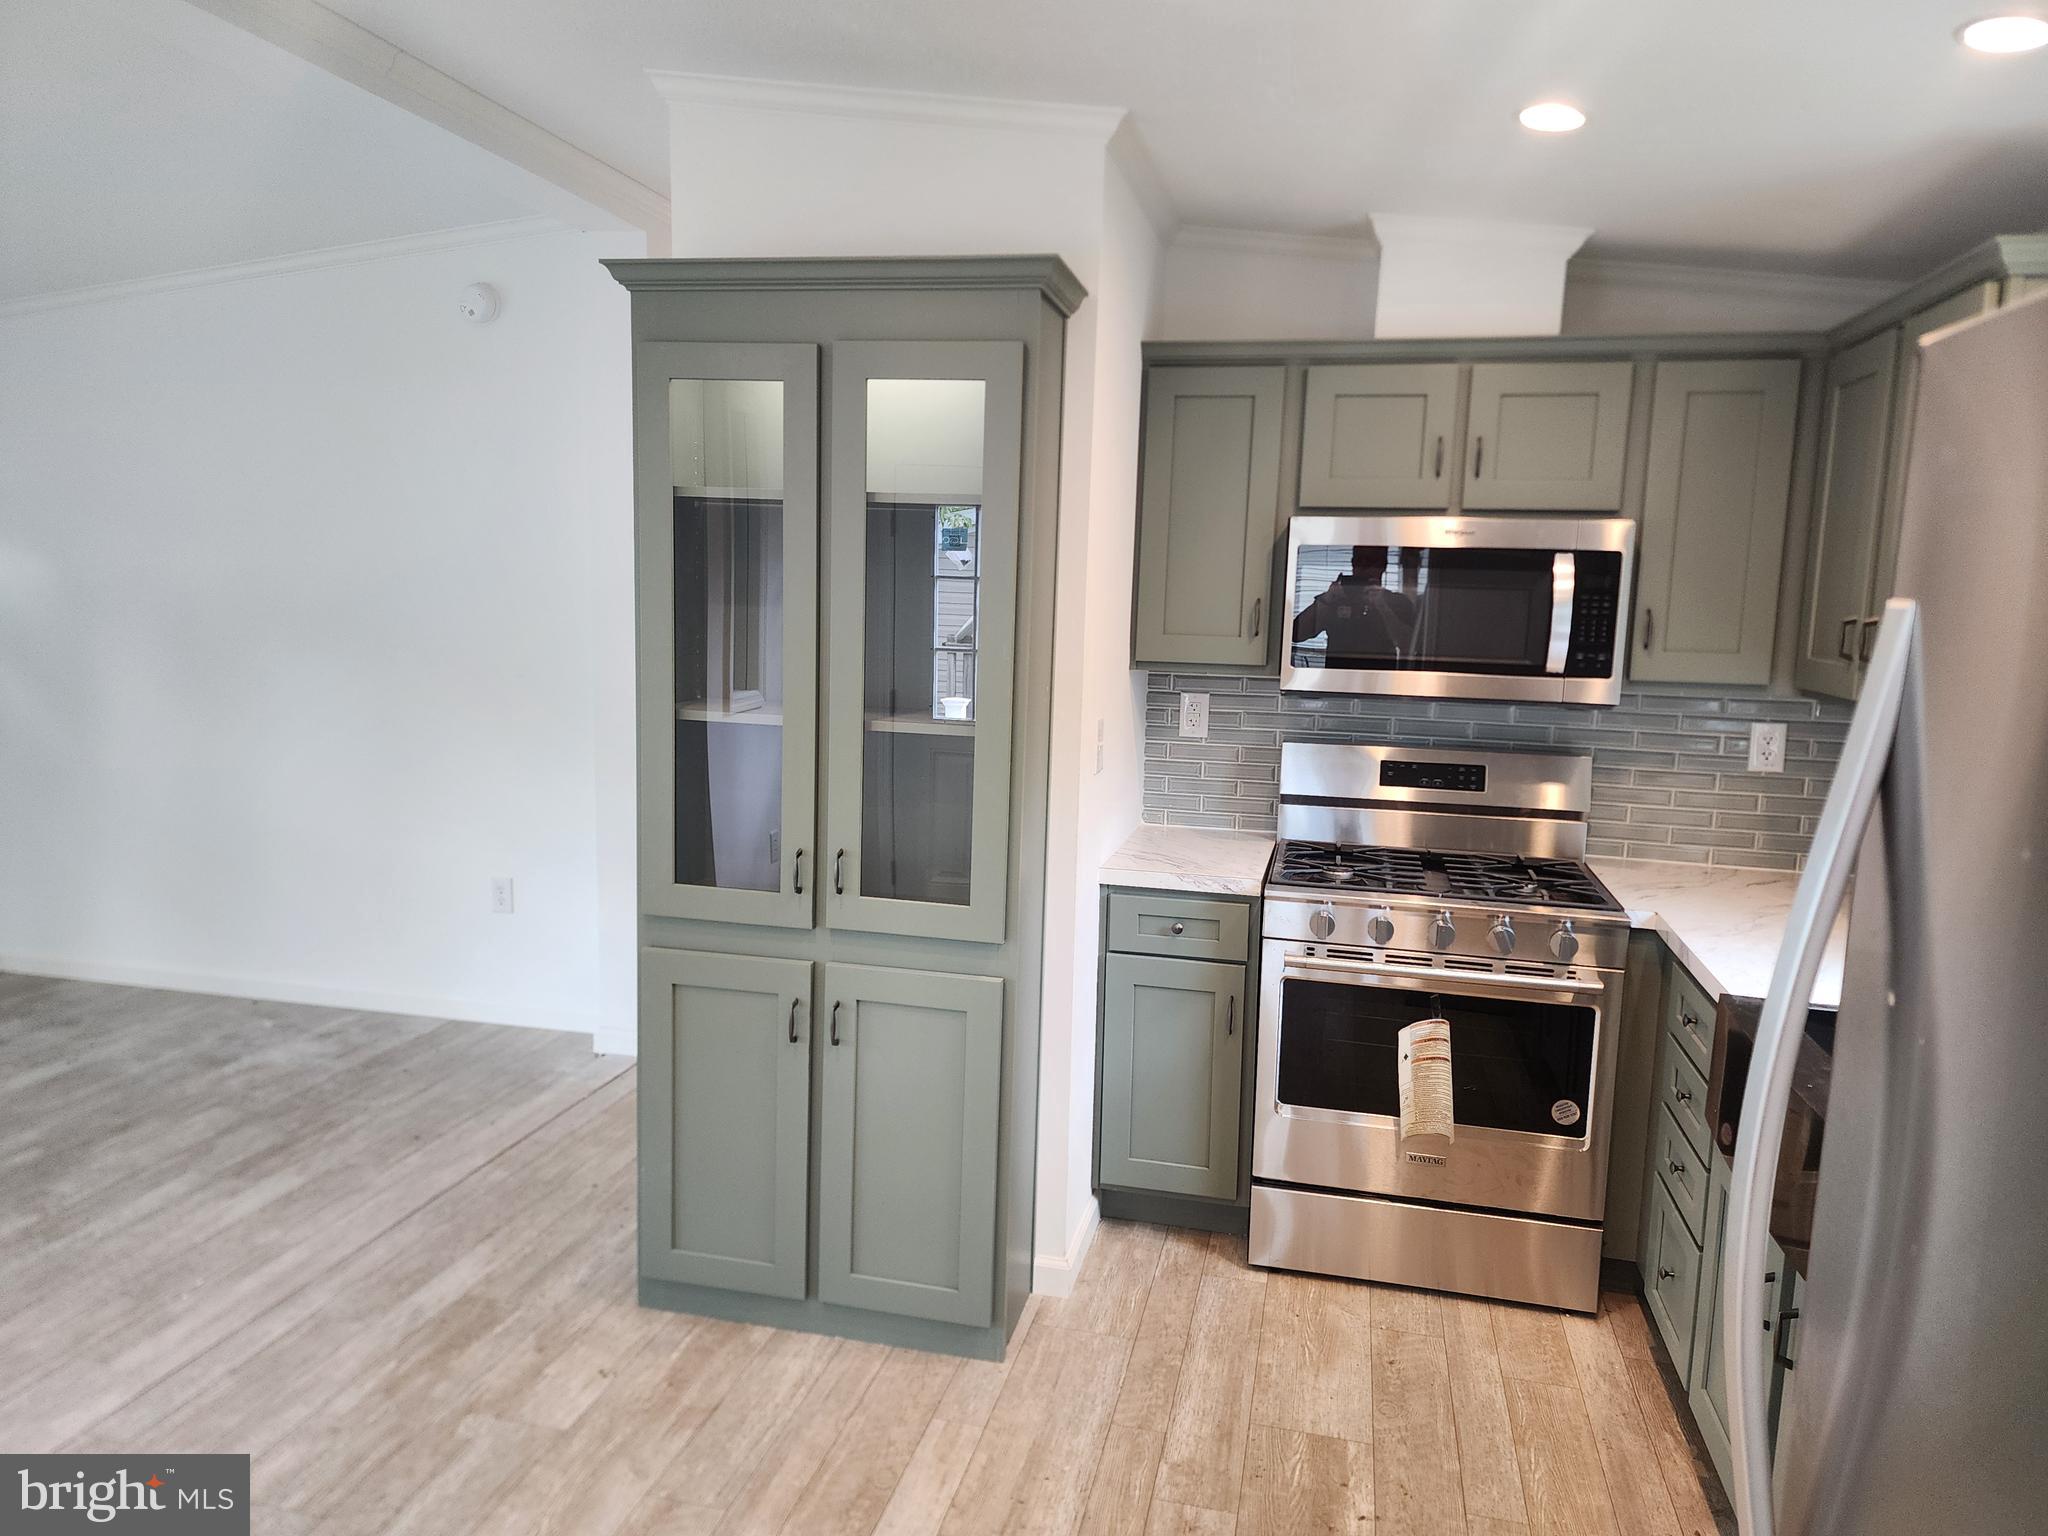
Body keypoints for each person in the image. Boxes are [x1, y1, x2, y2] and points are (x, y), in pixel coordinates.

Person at [1290, 545, 1421, 661]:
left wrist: (1383, 606)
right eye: (1358, 561)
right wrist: (1326, 599)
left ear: (1383, 565)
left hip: (1381, 682)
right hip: (1335, 681)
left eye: (1370, 561)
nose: (1363, 567)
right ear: (1352, 564)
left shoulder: (1397, 602)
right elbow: (1296, 634)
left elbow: (1410, 646)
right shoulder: (1335, 599)